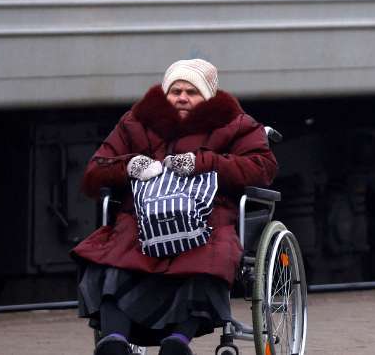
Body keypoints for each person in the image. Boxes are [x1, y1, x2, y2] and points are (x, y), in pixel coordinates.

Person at [73, 59, 278, 355]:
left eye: (191, 91)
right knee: (111, 255)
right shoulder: (136, 122)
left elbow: (262, 168)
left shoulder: (237, 125)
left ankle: (178, 342)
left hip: (207, 215)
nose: (182, 97)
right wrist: (130, 165)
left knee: (209, 257)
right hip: (143, 216)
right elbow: (95, 171)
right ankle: (115, 340)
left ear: (208, 94)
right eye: (176, 90)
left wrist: (202, 162)